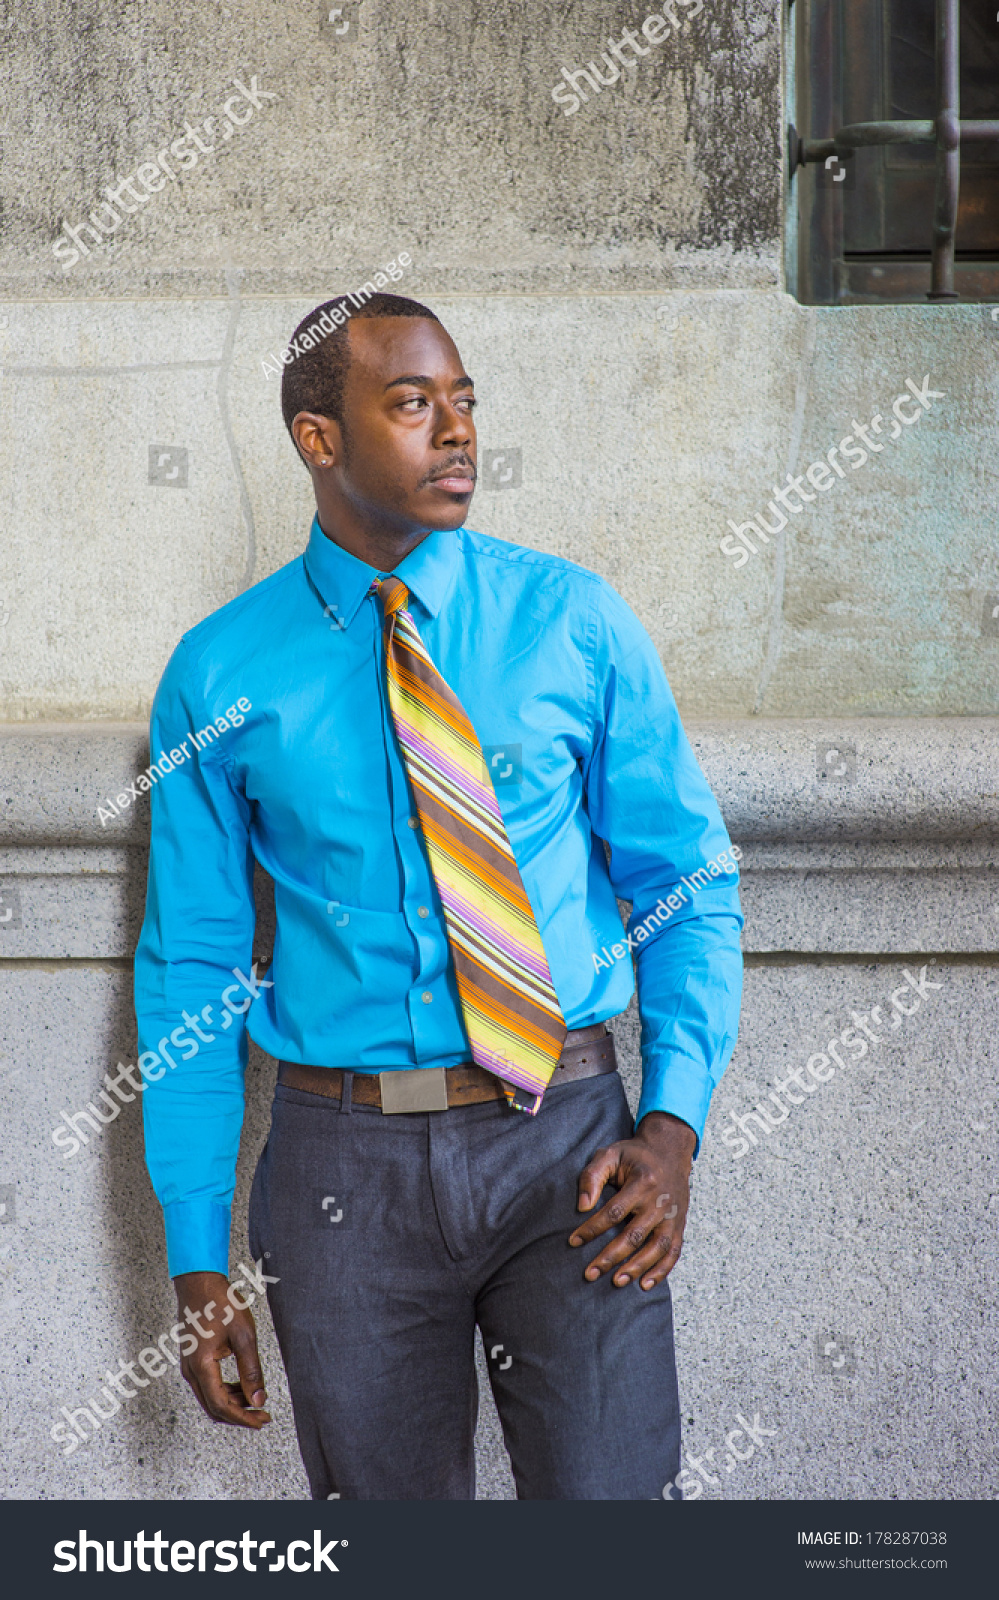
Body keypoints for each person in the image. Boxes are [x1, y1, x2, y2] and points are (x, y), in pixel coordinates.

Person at [134, 291, 743, 1500]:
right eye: (414, 404)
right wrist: (199, 1257)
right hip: (341, 1170)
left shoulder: (573, 621)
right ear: (320, 438)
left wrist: (671, 1124)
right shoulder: (219, 670)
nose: (455, 432)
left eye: (463, 401)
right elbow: (192, 966)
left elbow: (686, 883)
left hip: (573, 1152)